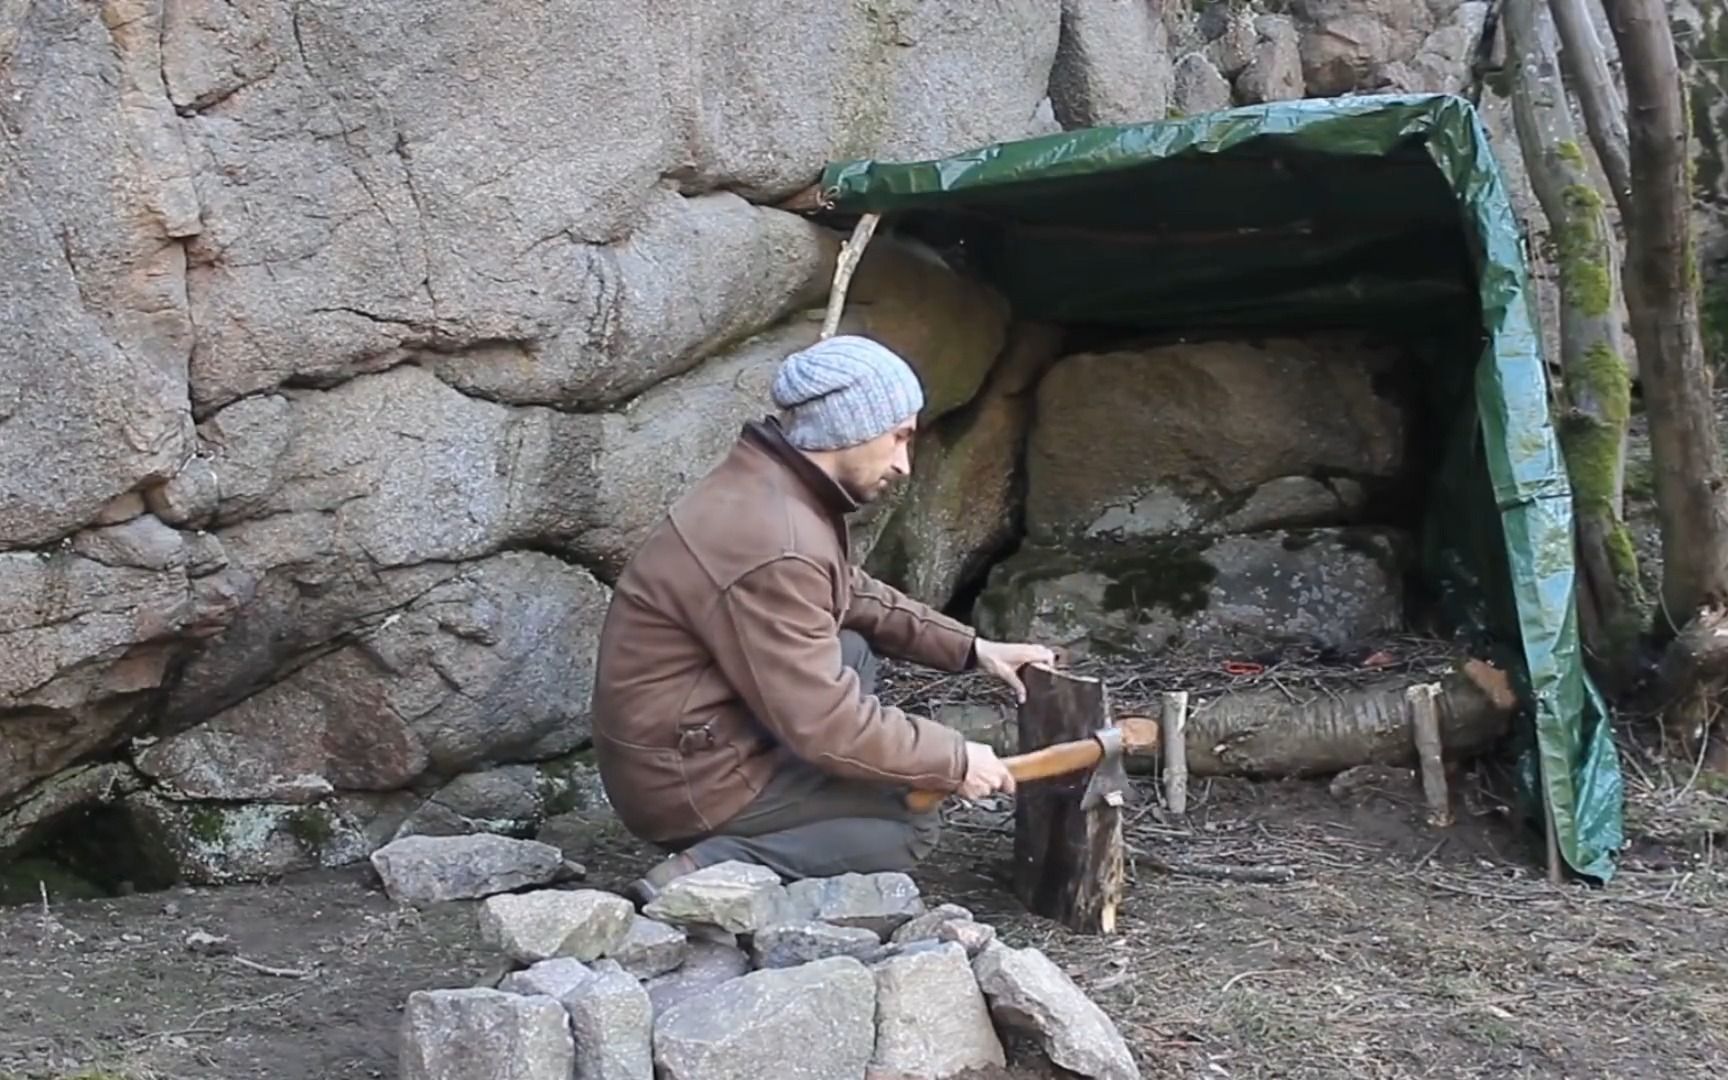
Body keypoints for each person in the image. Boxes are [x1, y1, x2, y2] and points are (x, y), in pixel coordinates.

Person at [589, 333, 1055, 906]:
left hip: (688, 737)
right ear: (850, 428)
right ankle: (709, 867)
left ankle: (792, 808)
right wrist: (954, 758)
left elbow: (849, 591)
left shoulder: (771, 486)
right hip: (684, 781)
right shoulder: (777, 540)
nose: (904, 464)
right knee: (909, 820)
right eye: (899, 438)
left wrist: (974, 649)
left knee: (850, 646)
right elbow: (826, 724)